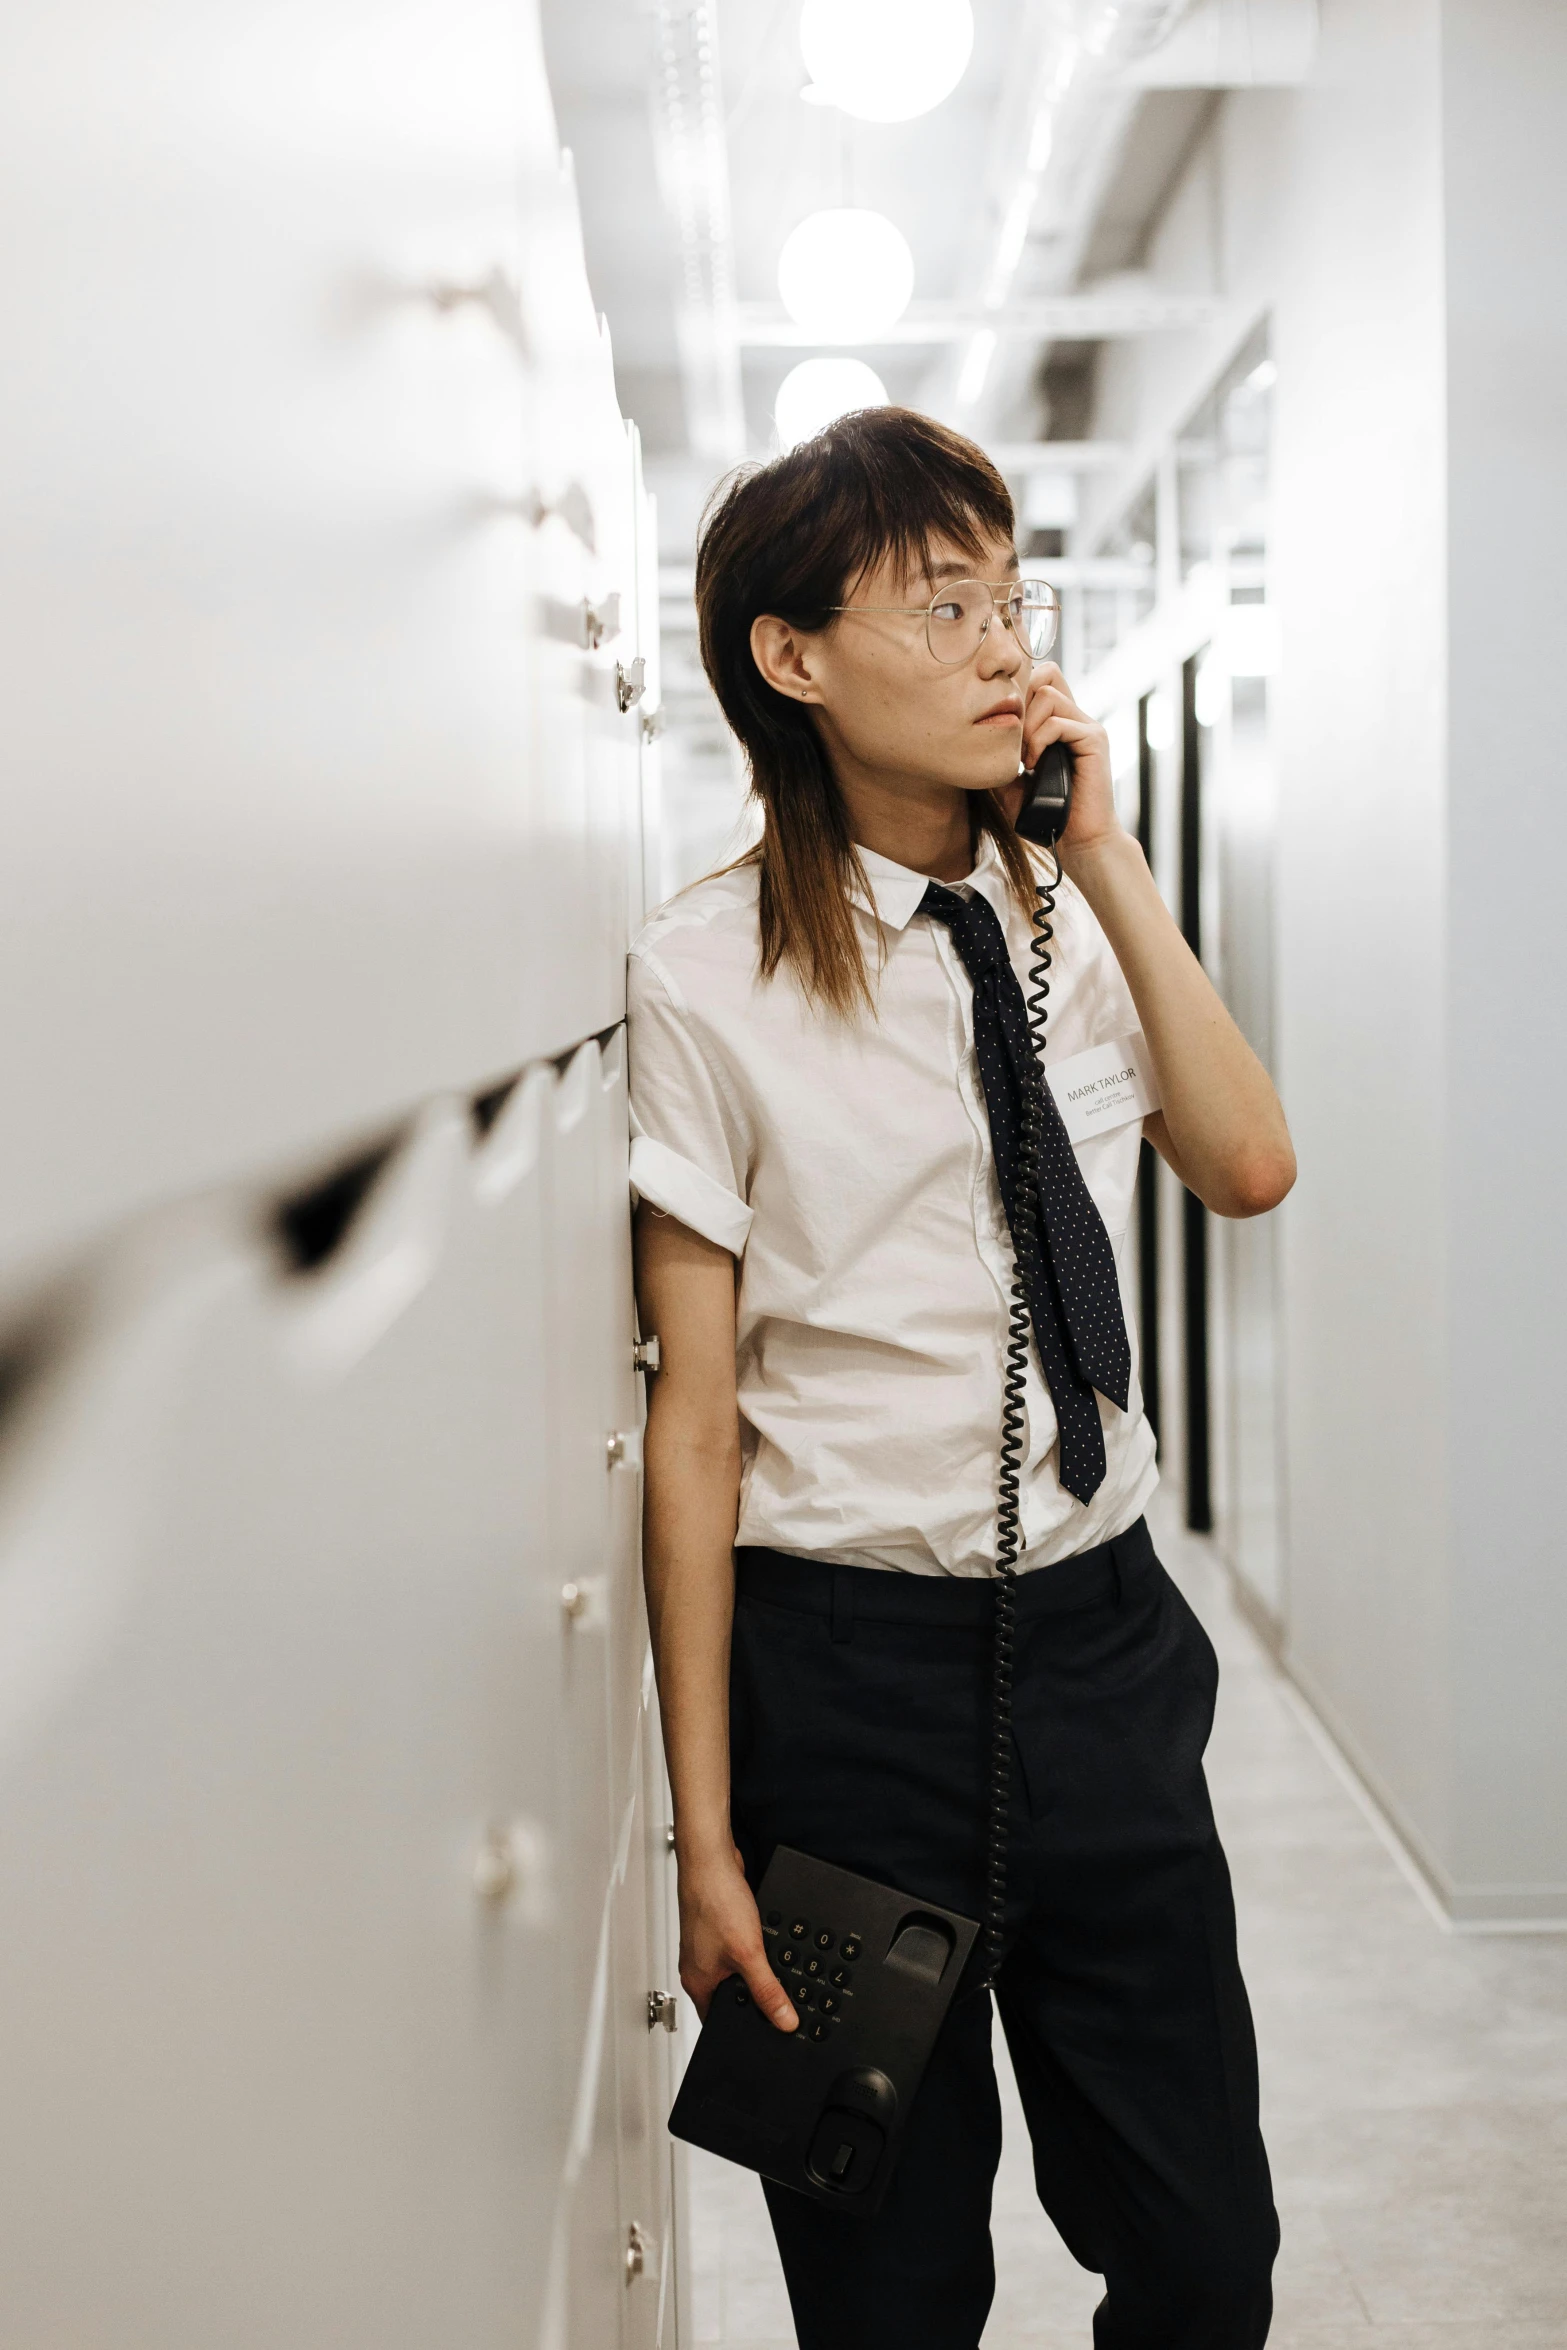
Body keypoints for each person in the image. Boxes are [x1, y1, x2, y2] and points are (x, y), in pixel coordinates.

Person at [628, 407, 1293, 2350]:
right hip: (844, 1689)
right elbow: (690, 1423)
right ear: (794, 656)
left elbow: (1247, 1163)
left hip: (1100, 1649)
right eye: (945, 604)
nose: (1009, 644)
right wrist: (708, 1835)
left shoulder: (1071, 926)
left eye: (1014, 598)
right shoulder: (700, 977)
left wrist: (1112, 865)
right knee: (893, 2292)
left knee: (1203, 2255)